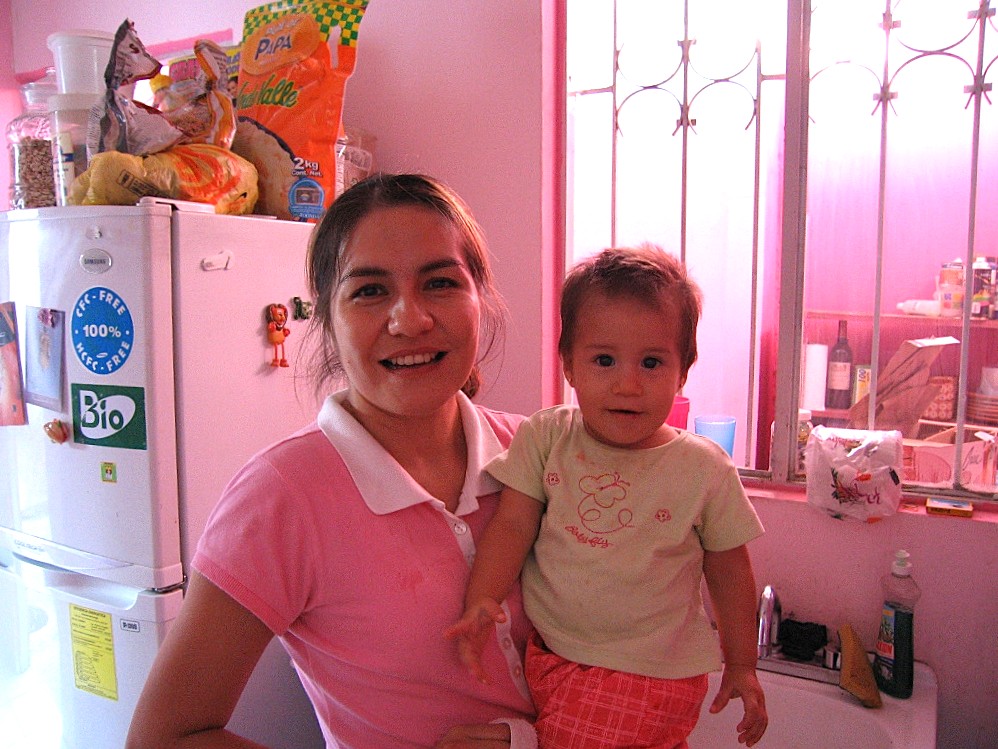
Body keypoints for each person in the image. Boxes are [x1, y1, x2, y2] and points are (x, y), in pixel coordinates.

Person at [126, 173, 538, 749]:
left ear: (480, 299)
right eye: (369, 291)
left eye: (441, 283)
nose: (410, 320)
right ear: (326, 319)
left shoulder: (539, 455)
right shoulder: (282, 497)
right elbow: (164, 738)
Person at [446, 245, 768, 748]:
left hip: (651, 669)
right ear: (569, 366)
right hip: (555, 655)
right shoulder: (546, 437)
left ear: (683, 371)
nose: (627, 384)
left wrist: (742, 664)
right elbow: (512, 525)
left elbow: (730, 571)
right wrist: (482, 599)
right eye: (604, 360)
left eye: (651, 362)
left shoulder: (704, 468)